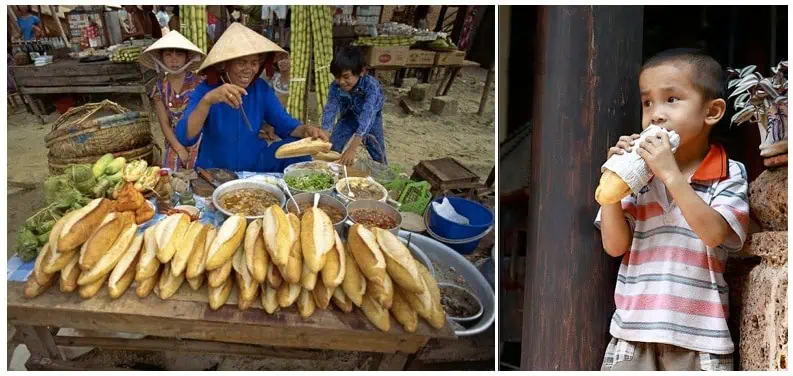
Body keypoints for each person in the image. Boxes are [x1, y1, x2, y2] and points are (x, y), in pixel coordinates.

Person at [595, 49, 749, 371]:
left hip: (702, 340)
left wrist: (670, 175)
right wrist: (615, 180)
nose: (656, 114)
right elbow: (614, 246)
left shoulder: (729, 172)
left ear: (712, 111)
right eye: (648, 102)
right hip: (633, 335)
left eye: (672, 99)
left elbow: (713, 233)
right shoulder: (640, 176)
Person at [176, 23, 328, 173]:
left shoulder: (260, 88)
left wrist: (307, 130)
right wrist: (207, 101)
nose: (249, 69)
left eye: (254, 63)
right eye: (242, 63)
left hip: (255, 163)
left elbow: (285, 124)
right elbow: (186, 137)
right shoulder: (206, 90)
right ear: (224, 65)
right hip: (216, 169)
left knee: (298, 149)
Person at [139, 31, 205, 172]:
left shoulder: (200, 83)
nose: (174, 59)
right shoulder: (159, 88)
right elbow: (164, 123)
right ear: (161, 58)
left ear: (188, 57)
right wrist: (179, 149)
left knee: (201, 175)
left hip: (200, 139)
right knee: (171, 176)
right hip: (174, 140)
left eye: (179, 54)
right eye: (168, 54)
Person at [321, 46, 386, 166]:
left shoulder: (371, 87)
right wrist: (324, 134)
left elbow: (368, 116)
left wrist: (352, 149)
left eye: (346, 77)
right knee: (332, 146)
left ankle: (383, 174)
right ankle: (332, 173)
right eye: (337, 77)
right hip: (349, 115)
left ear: (361, 71)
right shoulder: (335, 87)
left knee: (376, 149)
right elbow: (330, 110)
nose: (341, 82)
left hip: (372, 118)